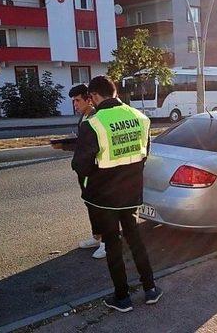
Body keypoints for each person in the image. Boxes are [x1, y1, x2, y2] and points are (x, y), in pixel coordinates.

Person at [72, 76, 162, 312]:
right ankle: (150, 288)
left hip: (105, 197)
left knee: (113, 245)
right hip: (131, 193)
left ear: (93, 96)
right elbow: (143, 154)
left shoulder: (93, 123)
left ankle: (122, 298)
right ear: (114, 92)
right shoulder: (141, 118)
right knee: (136, 240)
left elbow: (80, 166)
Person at [69, 84, 106, 259]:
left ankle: (107, 242)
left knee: (100, 207)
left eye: (77, 100)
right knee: (90, 205)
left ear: (88, 100)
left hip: (95, 171)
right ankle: (97, 237)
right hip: (84, 171)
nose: (75, 104)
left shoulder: (96, 117)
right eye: (73, 101)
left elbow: (96, 145)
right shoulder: (84, 116)